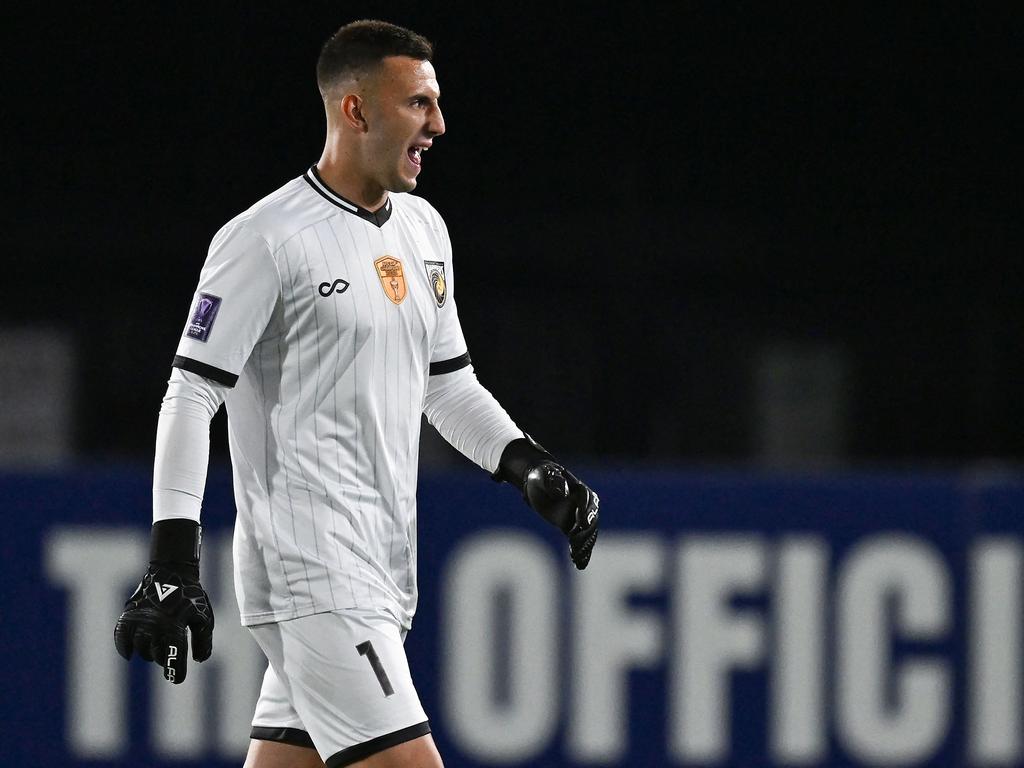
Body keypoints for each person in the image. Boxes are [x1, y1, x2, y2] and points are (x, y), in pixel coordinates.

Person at [113, 19, 599, 768]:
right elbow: (190, 392)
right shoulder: (265, 238)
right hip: (314, 576)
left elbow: (449, 385)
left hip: (378, 571)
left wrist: (525, 462)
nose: (439, 124)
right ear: (355, 110)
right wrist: (172, 560)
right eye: (419, 104)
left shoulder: (425, 230)